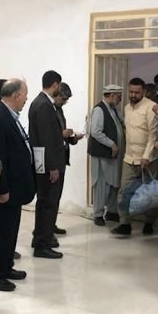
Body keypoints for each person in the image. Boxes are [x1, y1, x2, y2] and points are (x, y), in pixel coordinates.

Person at [0, 79, 36, 291]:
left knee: (10, 230)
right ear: (16, 95)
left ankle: (5, 267)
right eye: (25, 94)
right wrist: (2, 189)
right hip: (4, 190)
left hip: (15, 188)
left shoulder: (8, 116)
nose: (26, 99)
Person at [111, 77, 158, 236]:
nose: (133, 95)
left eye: (137, 92)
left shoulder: (151, 108)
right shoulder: (127, 108)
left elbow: (153, 135)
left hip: (149, 159)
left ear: (144, 92)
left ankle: (149, 223)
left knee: (152, 193)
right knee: (124, 191)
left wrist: (146, 156)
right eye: (131, 92)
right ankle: (125, 223)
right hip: (129, 157)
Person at [28, 70, 66, 258]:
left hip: (43, 160)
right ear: (55, 84)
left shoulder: (40, 102)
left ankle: (40, 238)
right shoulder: (44, 105)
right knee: (48, 203)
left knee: (45, 202)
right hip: (47, 162)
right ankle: (42, 244)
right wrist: (53, 167)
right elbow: (45, 138)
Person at [88, 84, 125, 226]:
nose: (120, 99)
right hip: (102, 153)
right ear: (112, 95)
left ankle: (111, 211)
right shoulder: (99, 109)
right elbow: (95, 132)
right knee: (101, 184)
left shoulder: (113, 109)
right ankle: (98, 214)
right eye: (118, 96)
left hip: (113, 155)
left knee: (114, 183)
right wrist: (112, 144)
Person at [53, 82, 85, 233]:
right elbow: (45, 136)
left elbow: (61, 135)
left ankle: (51, 225)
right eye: (64, 99)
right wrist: (61, 134)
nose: (65, 102)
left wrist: (72, 138)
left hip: (62, 157)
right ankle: (46, 230)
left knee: (56, 196)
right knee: (50, 197)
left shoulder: (59, 110)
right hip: (52, 159)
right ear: (57, 94)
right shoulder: (46, 110)